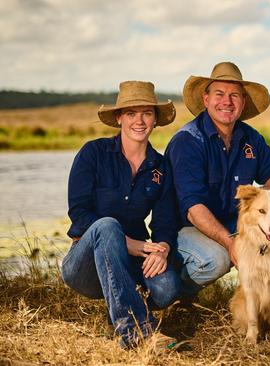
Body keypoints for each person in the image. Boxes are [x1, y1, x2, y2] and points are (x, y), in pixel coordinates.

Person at [62, 81, 181, 349]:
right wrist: (129, 243)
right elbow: (79, 213)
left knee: (167, 289)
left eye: (147, 113)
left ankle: (117, 309)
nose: (139, 121)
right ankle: (137, 331)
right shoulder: (93, 153)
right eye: (131, 113)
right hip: (85, 263)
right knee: (106, 226)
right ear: (119, 118)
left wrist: (162, 248)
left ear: (155, 119)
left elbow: (164, 221)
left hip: (134, 259)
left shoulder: (160, 167)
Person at [165, 62, 270, 295]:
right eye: (219, 94)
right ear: (206, 99)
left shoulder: (249, 137)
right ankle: (175, 295)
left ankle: (265, 307)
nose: (227, 101)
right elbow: (193, 209)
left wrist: (260, 200)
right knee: (218, 259)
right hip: (186, 228)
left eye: (234, 95)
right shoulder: (188, 141)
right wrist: (232, 243)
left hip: (231, 222)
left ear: (242, 102)